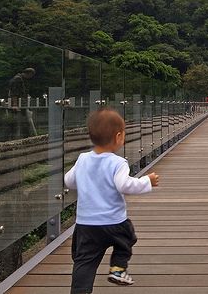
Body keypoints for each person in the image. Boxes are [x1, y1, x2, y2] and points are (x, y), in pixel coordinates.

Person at [65, 108, 159, 293]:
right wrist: (147, 181)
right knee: (127, 238)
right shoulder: (118, 163)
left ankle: (79, 291)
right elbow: (125, 185)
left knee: (85, 261)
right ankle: (117, 269)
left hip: (86, 224)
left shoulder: (83, 159)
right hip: (114, 222)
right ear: (118, 137)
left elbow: (69, 180)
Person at [8, 68, 37, 137]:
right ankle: (20, 136)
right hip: (18, 104)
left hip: (21, 103)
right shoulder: (18, 79)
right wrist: (15, 105)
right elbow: (14, 93)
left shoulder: (21, 79)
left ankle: (25, 136)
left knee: (24, 122)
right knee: (20, 122)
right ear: (29, 74)